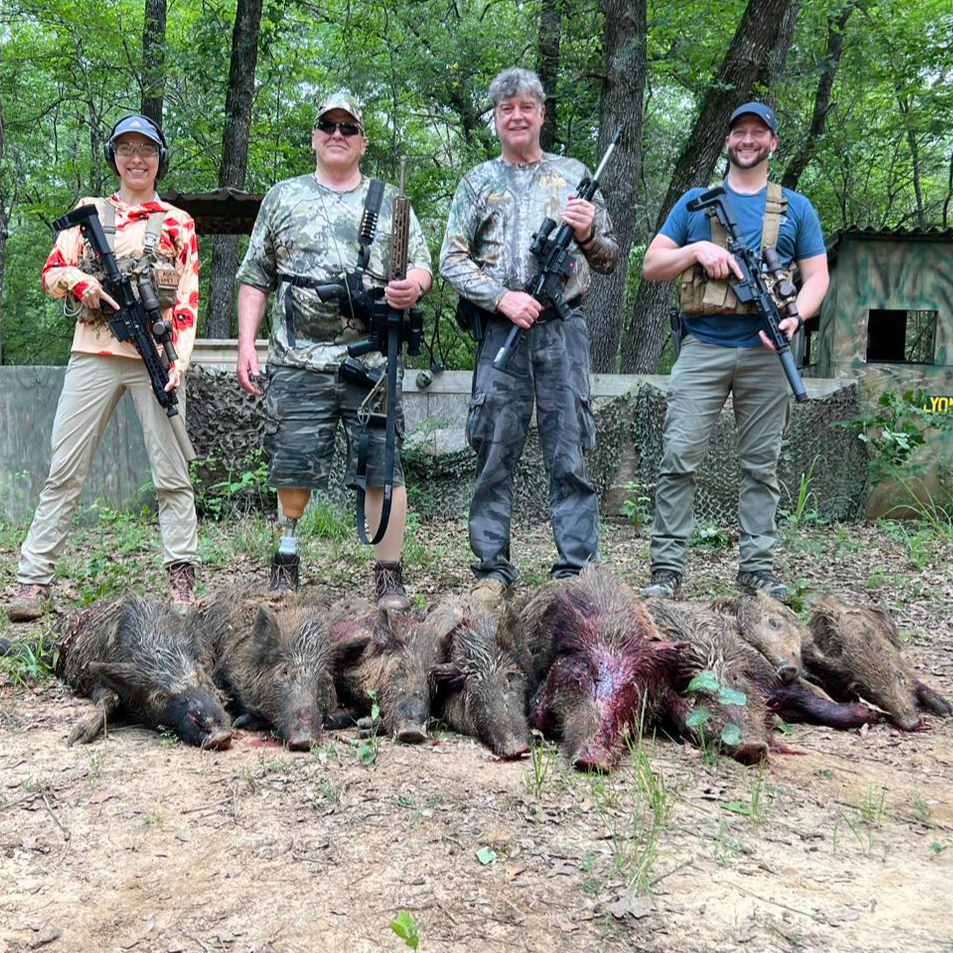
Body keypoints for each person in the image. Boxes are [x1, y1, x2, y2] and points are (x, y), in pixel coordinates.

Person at [235, 92, 432, 609]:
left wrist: (412, 285)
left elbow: (422, 265)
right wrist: (246, 345)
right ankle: (286, 557)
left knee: (382, 468)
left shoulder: (391, 201)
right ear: (315, 136)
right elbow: (255, 277)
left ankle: (389, 574)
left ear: (362, 140)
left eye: (348, 127)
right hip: (296, 358)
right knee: (292, 466)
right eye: (328, 125)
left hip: (371, 361)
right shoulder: (282, 197)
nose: (337, 134)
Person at [7, 114, 201, 622]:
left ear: (160, 159)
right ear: (114, 157)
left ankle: (182, 575)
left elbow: (186, 298)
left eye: (147, 150)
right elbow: (51, 272)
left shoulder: (178, 222)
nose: (137, 159)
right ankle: (33, 579)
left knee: (172, 470)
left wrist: (178, 361)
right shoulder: (89, 212)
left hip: (153, 359)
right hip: (93, 352)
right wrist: (81, 284)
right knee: (64, 468)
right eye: (126, 150)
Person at [440, 68, 618, 606]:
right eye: (505, 108)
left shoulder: (574, 175)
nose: (516, 116)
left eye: (525, 106)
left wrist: (587, 234)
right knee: (494, 449)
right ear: (495, 118)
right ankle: (492, 568)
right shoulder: (477, 180)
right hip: (501, 332)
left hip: (563, 329)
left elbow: (610, 259)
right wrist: (502, 298)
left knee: (570, 449)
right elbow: (450, 258)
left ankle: (577, 571)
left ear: (541, 113)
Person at [640, 102, 829, 602]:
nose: (748, 140)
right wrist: (697, 251)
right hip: (703, 346)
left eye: (758, 133)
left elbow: (817, 277)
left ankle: (757, 569)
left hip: (768, 351)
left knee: (761, 464)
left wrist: (795, 317)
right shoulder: (695, 203)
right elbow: (652, 264)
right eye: (739, 133)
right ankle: (666, 569)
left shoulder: (796, 208)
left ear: (773, 143)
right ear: (728, 142)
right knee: (679, 456)